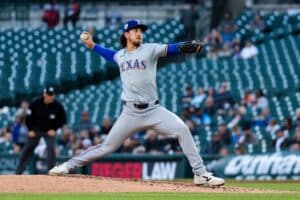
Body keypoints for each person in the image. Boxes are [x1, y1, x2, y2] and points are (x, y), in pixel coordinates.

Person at [49, 19, 224, 186]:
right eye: (135, 31)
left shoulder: (150, 49)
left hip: (153, 110)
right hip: (130, 113)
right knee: (106, 147)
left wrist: (186, 47)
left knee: (182, 129)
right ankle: (67, 166)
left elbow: (172, 48)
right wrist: (93, 46)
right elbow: (109, 54)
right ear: (126, 34)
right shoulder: (121, 56)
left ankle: (200, 174)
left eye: (141, 31)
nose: (139, 33)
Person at [16, 86, 66, 174]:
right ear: (44, 94)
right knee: (27, 149)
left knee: (51, 148)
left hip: (49, 131)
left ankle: (51, 171)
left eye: (52, 95)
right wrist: (30, 129)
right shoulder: (35, 103)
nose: (50, 97)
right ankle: (18, 172)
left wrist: (55, 129)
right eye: (48, 95)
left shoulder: (58, 106)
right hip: (36, 130)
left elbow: (62, 120)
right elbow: (28, 117)